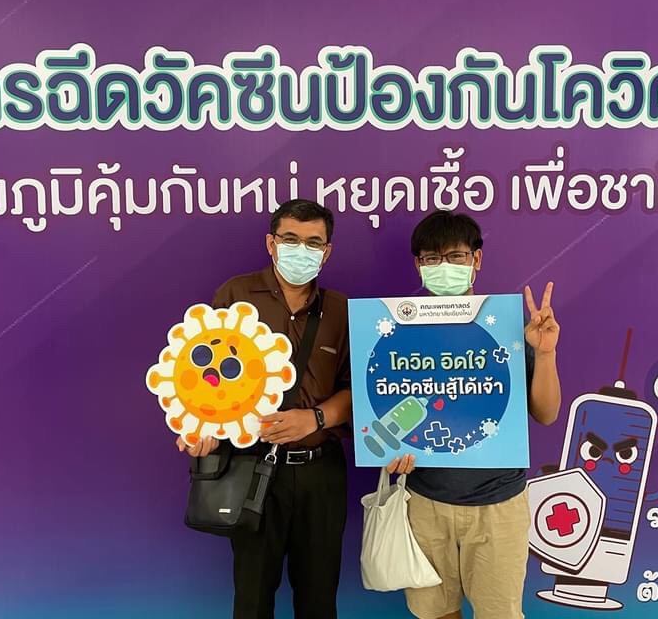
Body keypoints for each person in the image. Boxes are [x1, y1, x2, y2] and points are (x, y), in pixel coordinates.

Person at [177, 199, 353, 619]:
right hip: (252, 468)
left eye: (313, 242)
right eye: (290, 239)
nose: (301, 249)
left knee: (319, 600)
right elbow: (205, 371)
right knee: (252, 599)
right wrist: (202, 427)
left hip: (320, 472)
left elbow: (356, 390)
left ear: (327, 251)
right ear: (271, 244)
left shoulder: (342, 310)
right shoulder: (235, 295)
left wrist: (315, 418)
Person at [388, 210, 562, 619]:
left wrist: (545, 353)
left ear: (476, 259)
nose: (443, 267)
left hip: (498, 504)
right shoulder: (399, 331)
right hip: (426, 501)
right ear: (418, 265)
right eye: (432, 258)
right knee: (435, 612)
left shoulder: (508, 328)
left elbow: (547, 413)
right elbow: (385, 417)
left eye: (455, 256)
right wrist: (388, 451)